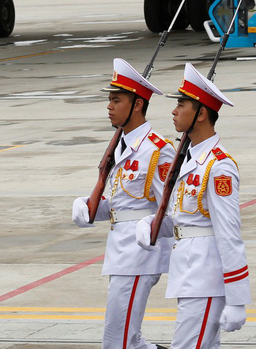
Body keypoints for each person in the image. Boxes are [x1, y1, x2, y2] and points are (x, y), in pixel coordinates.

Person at [135, 62, 250, 345]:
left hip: (206, 278)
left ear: (201, 114)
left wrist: (237, 298)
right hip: (190, 274)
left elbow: (229, 234)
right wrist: (152, 224)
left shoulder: (218, 167)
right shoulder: (186, 159)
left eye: (182, 104)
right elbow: (184, 218)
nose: (174, 111)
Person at [72, 58, 175, 349]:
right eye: (109, 99)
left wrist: (151, 230)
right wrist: (90, 207)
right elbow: (121, 203)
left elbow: (170, 207)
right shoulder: (122, 145)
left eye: (116, 100)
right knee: (127, 339)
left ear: (138, 105)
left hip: (139, 255)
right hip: (120, 253)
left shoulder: (157, 150)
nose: (109, 105)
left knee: (117, 341)